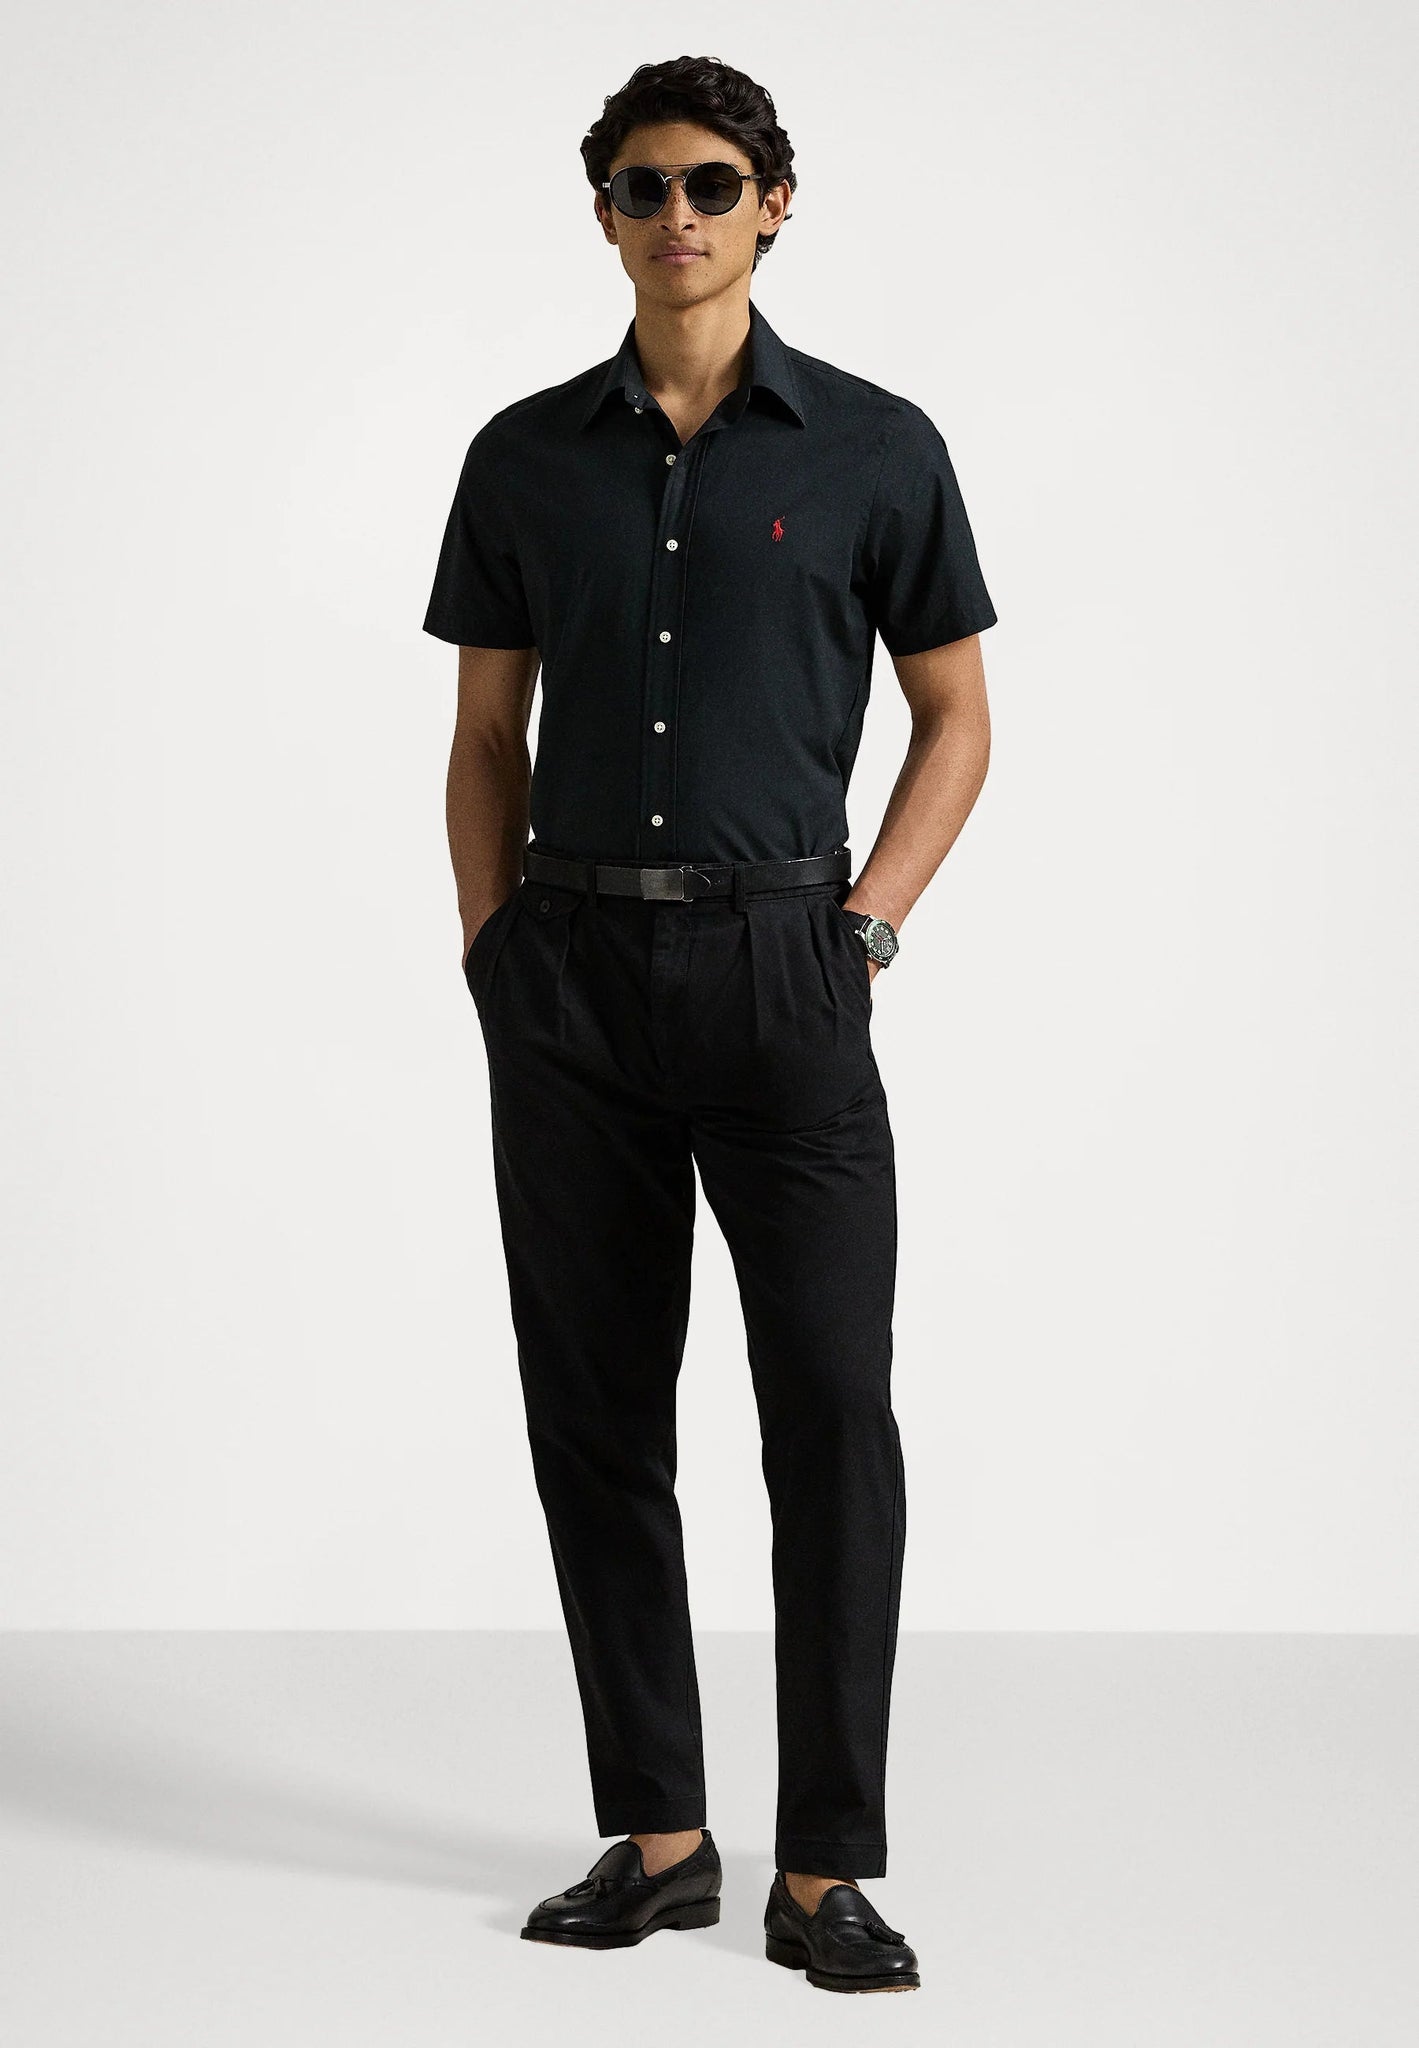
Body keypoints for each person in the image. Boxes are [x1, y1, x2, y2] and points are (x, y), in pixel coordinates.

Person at [422, 54, 996, 1996]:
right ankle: (661, 1840)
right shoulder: (521, 459)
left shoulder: (877, 450)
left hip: (785, 976)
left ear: (773, 204)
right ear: (602, 212)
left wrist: (867, 927)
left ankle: (823, 1868)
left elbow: (956, 717)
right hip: (570, 980)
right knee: (595, 1415)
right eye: (643, 186)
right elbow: (482, 736)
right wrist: (495, 953)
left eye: (713, 183)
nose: (678, 215)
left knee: (829, 1413)